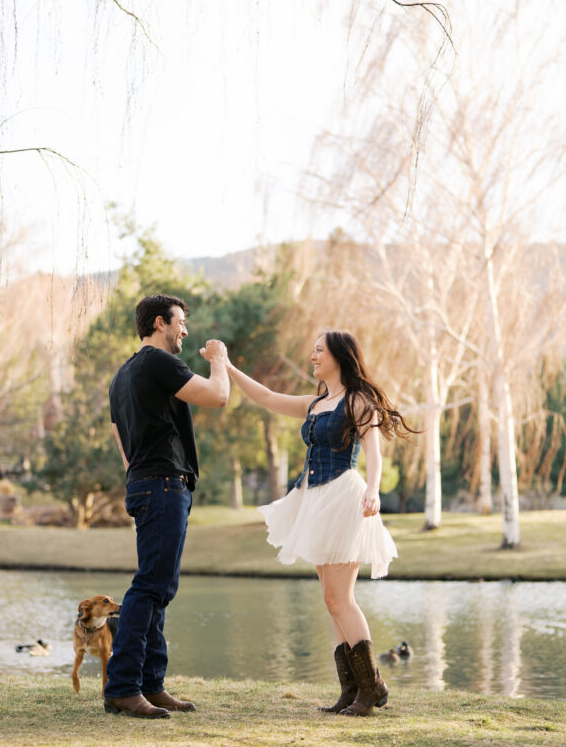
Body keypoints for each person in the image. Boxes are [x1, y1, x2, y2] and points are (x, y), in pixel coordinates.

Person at [202, 329, 415, 718]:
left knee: (341, 599)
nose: (313, 356)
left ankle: (371, 689)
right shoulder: (315, 403)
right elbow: (268, 398)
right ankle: (351, 690)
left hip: (345, 498)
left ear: (339, 356)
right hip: (315, 500)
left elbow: (373, 450)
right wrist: (227, 366)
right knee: (331, 601)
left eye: (319, 350)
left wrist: (373, 489)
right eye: (313, 350)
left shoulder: (358, 401)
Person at [104, 293, 229, 719]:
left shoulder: (121, 375)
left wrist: (140, 477)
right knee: (150, 587)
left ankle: (151, 684)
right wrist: (219, 359)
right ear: (160, 323)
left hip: (144, 483)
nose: (185, 331)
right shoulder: (159, 361)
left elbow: (121, 440)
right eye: (180, 323)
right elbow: (218, 396)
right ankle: (123, 687)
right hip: (162, 485)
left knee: (158, 587)